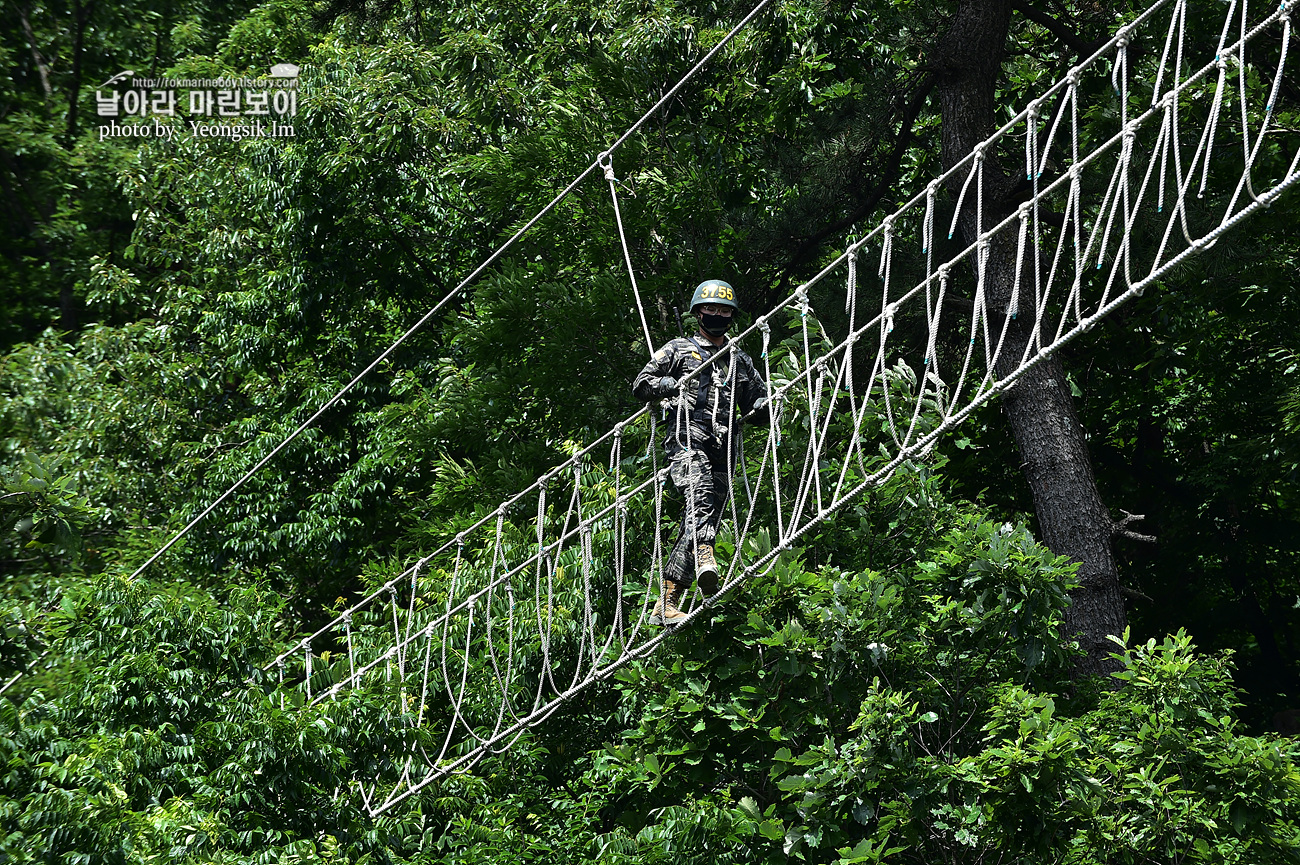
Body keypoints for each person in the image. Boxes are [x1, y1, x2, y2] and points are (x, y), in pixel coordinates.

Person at [632, 279, 770, 625]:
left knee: (698, 521)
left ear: (732, 316)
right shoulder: (678, 350)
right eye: (711, 309)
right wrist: (667, 384)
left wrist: (776, 404)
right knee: (701, 500)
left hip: (722, 450)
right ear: (698, 313)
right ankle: (707, 557)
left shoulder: (738, 358)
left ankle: (666, 602)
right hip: (686, 442)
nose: (717, 315)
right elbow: (641, 382)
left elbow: (757, 401)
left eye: (724, 311)